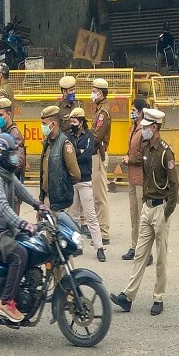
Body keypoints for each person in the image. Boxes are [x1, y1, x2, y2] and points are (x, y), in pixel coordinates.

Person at [110, 108, 178, 316]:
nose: (144, 130)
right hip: (148, 206)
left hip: (160, 208)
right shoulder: (148, 148)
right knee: (140, 254)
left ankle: (159, 297)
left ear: (155, 128)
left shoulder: (166, 152)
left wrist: (166, 213)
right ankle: (128, 296)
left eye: (147, 127)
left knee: (161, 257)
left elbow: (174, 186)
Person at [0, 134, 47, 322]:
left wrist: (38, 205)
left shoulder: (5, 172)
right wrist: (23, 223)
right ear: (1, 155)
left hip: (2, 230)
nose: (15, 156)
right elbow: (3, 207)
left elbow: (20, 188)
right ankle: (5, 301)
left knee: (29, 245)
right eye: (12, 153)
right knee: (19, 255)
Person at [66, 107, 106, 262]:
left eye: (74, 121)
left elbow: (87, 154)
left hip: (84, 180)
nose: (72, 124)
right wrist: (78, 152)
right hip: (73, 181)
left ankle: (99, 247)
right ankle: (78, 246)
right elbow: (68, 154)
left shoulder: (88, 135)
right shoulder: (68, 136)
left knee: (91, 216)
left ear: (81, 122)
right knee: (74, 216)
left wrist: (74, 153)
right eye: (71, 121)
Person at [122, 98, 150, 262]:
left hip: (140, 178)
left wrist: (130, 160)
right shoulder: (133, 128)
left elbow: (144, 155)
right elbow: (132, 149)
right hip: (132, 177)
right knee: (134, 215)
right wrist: (127, 156)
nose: (132, 112)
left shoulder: (144, 130)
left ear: (140, 112)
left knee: (142, 217)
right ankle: (134, 246)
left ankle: (144, 250)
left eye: (134, 110)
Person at [39, 105, 81, 212]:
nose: (42, 126)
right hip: (48, 199)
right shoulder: (47, 143)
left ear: (53, 124)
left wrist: (62, 187)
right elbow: (44, 174)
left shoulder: (65, 144)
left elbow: (75, 174)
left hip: (59, 201)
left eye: (44, 123)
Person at [0, 97, 26, 213]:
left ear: (9, 114)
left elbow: (19, 161)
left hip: (12, 190)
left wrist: (3, 165)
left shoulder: (14, 134)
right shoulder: (1, 132)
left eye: (1, 115)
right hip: (3, 187)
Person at [91, 77, 111, 245]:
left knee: (100, 195)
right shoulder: (99, 109)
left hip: (99, 154)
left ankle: (104, 232)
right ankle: (99, 229)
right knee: (96, 194)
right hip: (96, 154)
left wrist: (86, 137)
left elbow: (97, 135)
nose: (92, 94)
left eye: (95, 91)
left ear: (101, 93)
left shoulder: (103, 112)